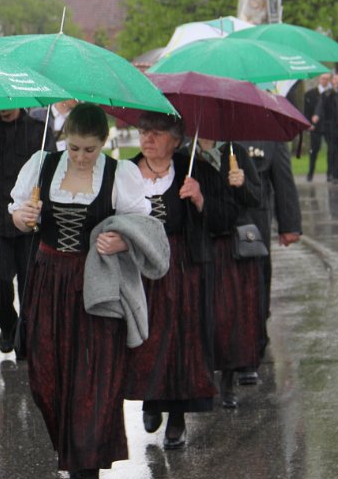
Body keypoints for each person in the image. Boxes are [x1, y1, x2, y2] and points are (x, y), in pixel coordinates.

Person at [9, 103, 150, 479]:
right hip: (48, 280)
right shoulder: (42, 164)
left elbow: (142, 226)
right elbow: (15, 216)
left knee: (93, 381)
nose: (81, 157)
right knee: (45, 379)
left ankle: (89, 476)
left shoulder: (119, 174)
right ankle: (71, 447)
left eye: (89, 150)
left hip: (96, 286)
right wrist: (24, 217)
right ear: (64, 139)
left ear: (103, 145)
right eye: (74, 148)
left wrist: (119, 241)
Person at [124, 113, 236, 451]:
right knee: (146, 336)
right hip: (140, 264)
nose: (148, 139)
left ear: (175, 140)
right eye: (144, 132)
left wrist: (200, 198)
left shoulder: (195, 169)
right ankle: (151, 400)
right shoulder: (126, 172)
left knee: (179, 340)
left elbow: (225, 218)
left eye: (157, 134)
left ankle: (176, 416)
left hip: (182, 266)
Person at [0, 108, 45, 354]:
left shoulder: (37, 130)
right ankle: (8, 323)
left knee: (28, 282)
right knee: (0, 279)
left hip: (29, 224)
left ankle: (26, 334)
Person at [196, 140, 263, 408]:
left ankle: (227, 378)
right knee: (204, 314)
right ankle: (203, 374)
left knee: (229, 314)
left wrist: (242, 183)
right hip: (200, 243)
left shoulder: (236, 152)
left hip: (230, 245)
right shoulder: (185, 154)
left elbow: (255, 198)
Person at [236, 139, 302, 384]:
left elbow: (282, 179)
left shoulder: (268, 132)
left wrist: (289, 225)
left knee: (256, 287)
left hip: (255, 222)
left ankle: (253, 351)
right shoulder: (208, 124)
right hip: (216, 222)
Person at [303, 73, 330, 181]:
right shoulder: (310, 94)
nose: (325, 81)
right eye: (323, 78)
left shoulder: (331, 94)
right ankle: (311, 173)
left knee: (331, 151)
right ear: (319, 79)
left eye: (327, 79)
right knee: (314, 150)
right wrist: (309, 123)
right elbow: (306, 111)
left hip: (327, 126)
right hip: (315, 126)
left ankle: (330, 173)